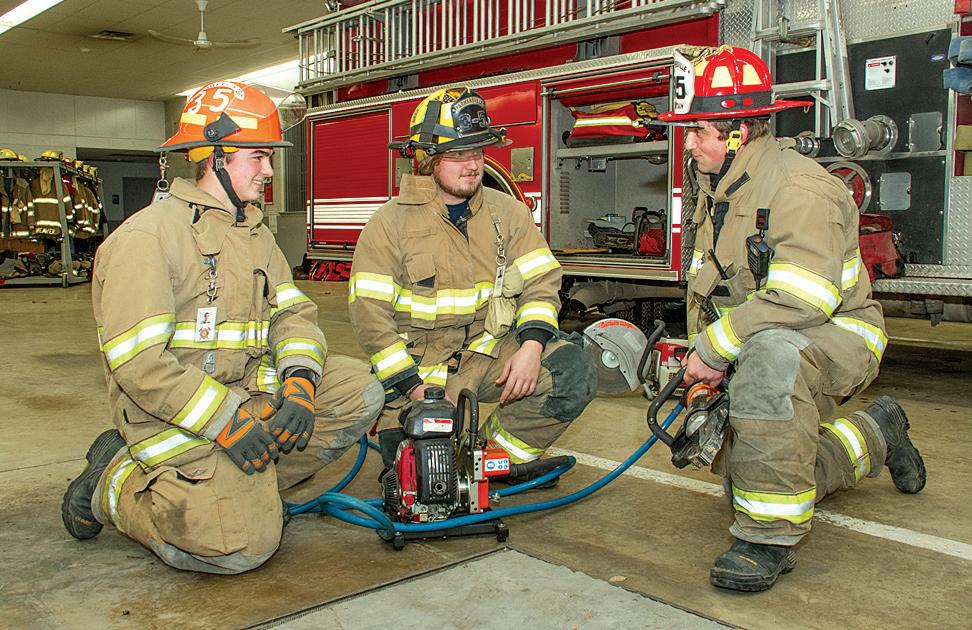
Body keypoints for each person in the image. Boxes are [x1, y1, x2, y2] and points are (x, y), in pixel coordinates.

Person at [61, 81, 384, 574]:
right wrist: (225, 422)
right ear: (215, 157)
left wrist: (300, 381)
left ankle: (245, 491)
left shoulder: (254, 233)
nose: (269, 170)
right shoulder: (147, 238)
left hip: (247, 400)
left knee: (359, 392)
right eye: (258, 157)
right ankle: (114, 480)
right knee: (241, 549)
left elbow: (292, 314)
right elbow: (140, 366)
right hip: (176, 420)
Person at [657, 46, 926, 592]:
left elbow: (804, 299)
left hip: (836, 333)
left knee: (768, 367)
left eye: (698, 131)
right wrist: (701, 362)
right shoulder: (720, 185)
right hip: (769, 335)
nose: (688, 143)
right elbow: (719, 289)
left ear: (738, 133)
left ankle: (768, 539)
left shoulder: (799, 189)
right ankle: (877, 433)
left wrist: (715, 349)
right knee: (755, 477)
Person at [349, 87, 596, 476]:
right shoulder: (388, 225)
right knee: (423, 479)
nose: (472, 164)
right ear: (427, 158)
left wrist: (532, 348)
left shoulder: (508, 214)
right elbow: (371, 321)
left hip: (491, 355)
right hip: (419, 373)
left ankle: (494, 461)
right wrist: (414, 389)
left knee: (572, 371)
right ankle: (441, 452)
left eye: (477, 152)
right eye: (457, 154)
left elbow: (542, 282)